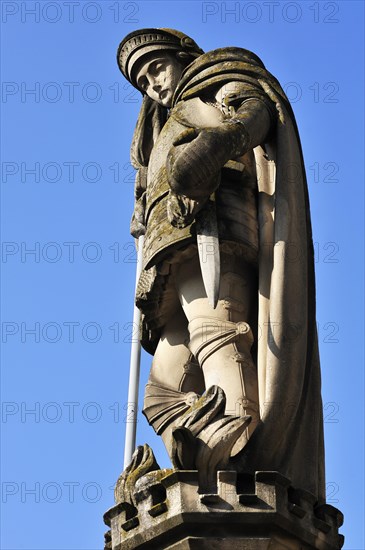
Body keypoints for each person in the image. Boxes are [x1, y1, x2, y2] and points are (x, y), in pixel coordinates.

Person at [117, 28, 325, 500]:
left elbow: (256, 112)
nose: (153, 85)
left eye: (156, 69)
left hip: (217, 233)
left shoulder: (215, 83)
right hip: (170, 252)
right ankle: (203, 461)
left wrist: (215, 147)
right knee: (163, 389)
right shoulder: (157, 130)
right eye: (143, 82)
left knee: (218, 334)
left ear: (182, 57)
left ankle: (241, 465)